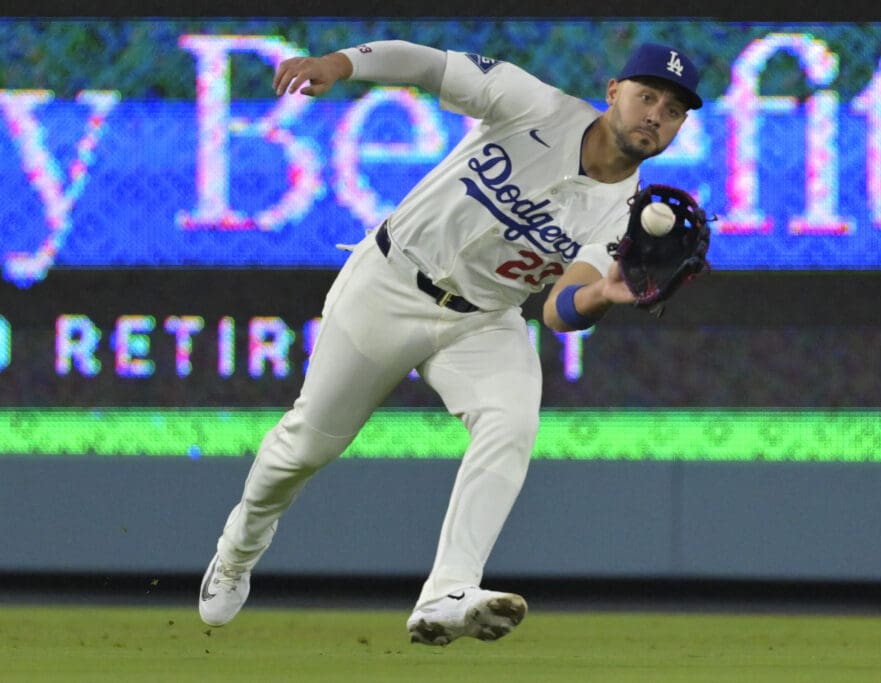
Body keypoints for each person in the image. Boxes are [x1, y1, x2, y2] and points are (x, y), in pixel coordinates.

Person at [198, 38, 703, 646]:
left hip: (482, 319)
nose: (655, 115)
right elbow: (427, 64)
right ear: (614, 92)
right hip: (389, 284)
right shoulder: (533, 104)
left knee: (511, 420)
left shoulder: (625, 215)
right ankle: (237, 551)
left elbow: (557, 310)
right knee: (304, 448)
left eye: (673, 109)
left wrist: (602, 293)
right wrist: (338, 65)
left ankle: (447, 592)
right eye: (647, 96)